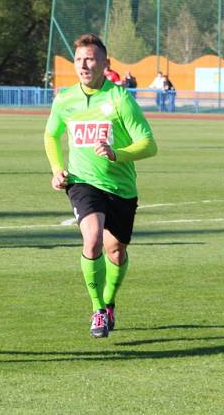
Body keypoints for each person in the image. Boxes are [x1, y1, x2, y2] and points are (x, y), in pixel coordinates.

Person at [44, 33, 157, 338]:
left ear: (105, 64)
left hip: (120, 187)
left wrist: (117, 153)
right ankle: (97, 309)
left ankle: (108, 302)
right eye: (79, 59)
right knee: (92, 240)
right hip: (83, 182)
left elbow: (149, 144)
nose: (84, 65)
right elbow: (51, 135)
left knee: (115, 250)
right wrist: (57, 170)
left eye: (90, 59)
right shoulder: (65, 100)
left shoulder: (120, 99)